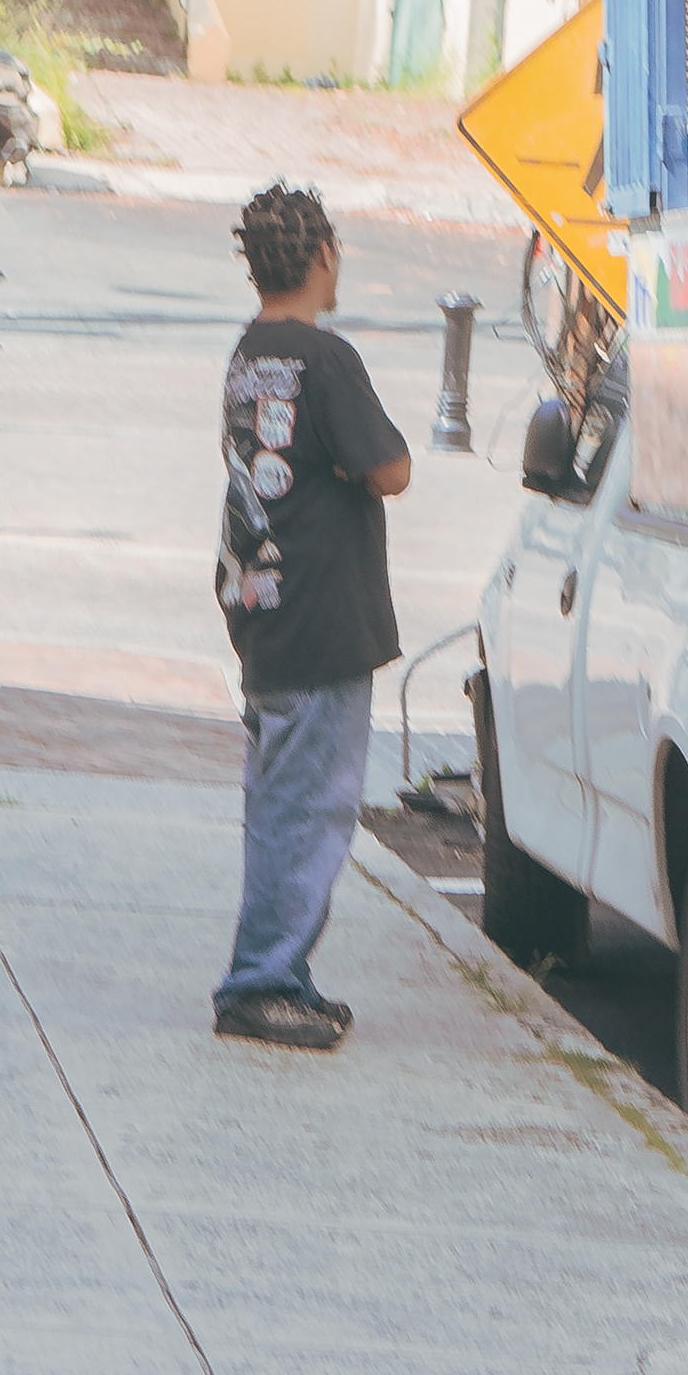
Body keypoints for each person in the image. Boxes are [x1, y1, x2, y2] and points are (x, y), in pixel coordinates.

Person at [212, 184, 411, 1050]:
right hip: (325, 618)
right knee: (312, 808)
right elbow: (392, 467)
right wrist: (352, 470)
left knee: (277, 799)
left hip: (264, 602)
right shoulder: (327, 362)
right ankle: (261, 980)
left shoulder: (249, 351)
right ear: (321, 255)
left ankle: (281, 970)